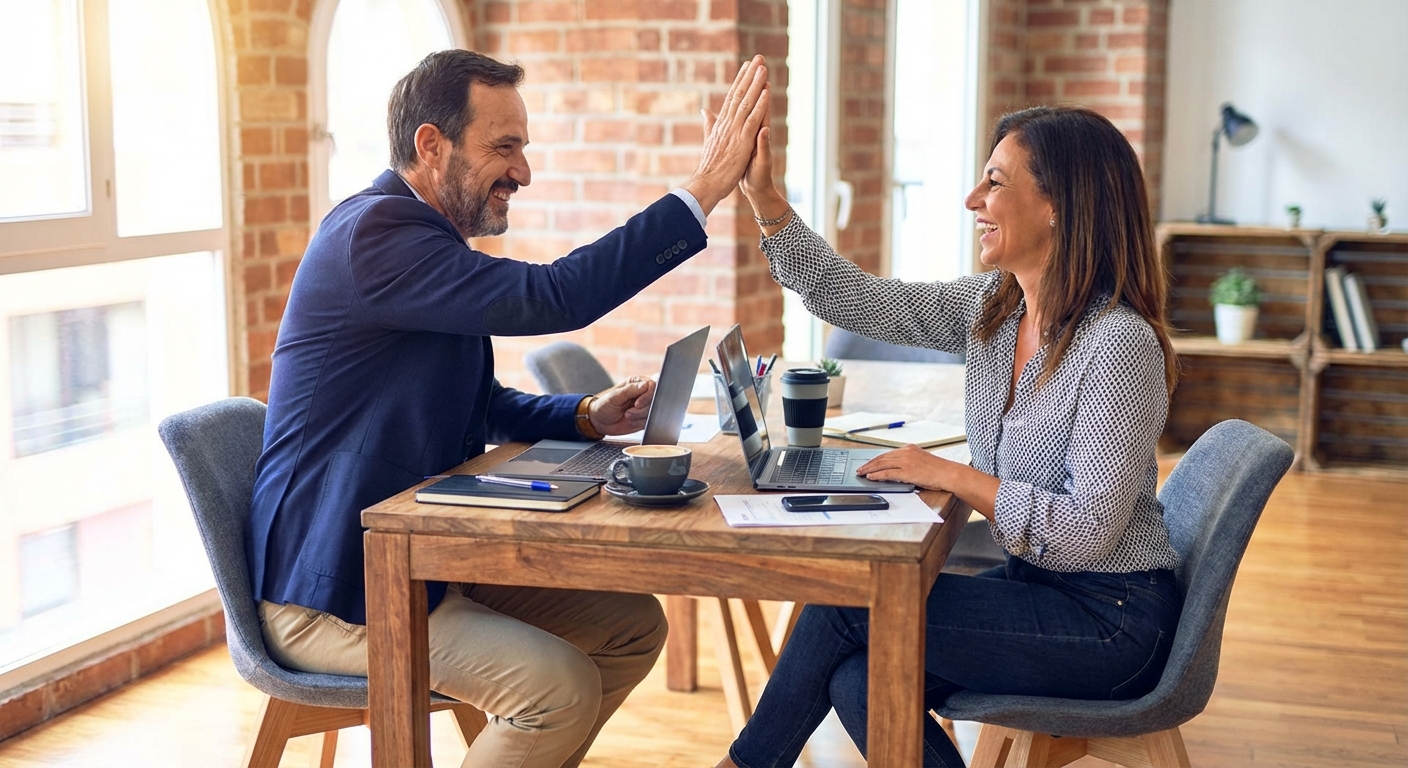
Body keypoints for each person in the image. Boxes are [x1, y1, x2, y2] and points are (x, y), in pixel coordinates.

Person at [247, 50, 770, 768]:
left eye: (522, 148)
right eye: (505, 147)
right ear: (432, 147)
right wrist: (705, 187)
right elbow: (557, 295)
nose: (523, 171)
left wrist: (584, 414)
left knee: (632, 628)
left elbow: (479, 403)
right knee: (554, 688)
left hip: (421, 563)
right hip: (337, 590)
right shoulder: (375, 238)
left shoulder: (423, 244)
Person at [717, 104, 1184, 767]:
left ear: (1060, 206)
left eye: (995, 181)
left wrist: (952, 475)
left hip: (1112, 621)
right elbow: (854, 298)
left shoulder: (1117, 345)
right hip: (1039, 588)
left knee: (843, 608)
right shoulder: (995, 308)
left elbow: (1086, 532)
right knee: (861, 679)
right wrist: (765, 198)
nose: (974, 200)